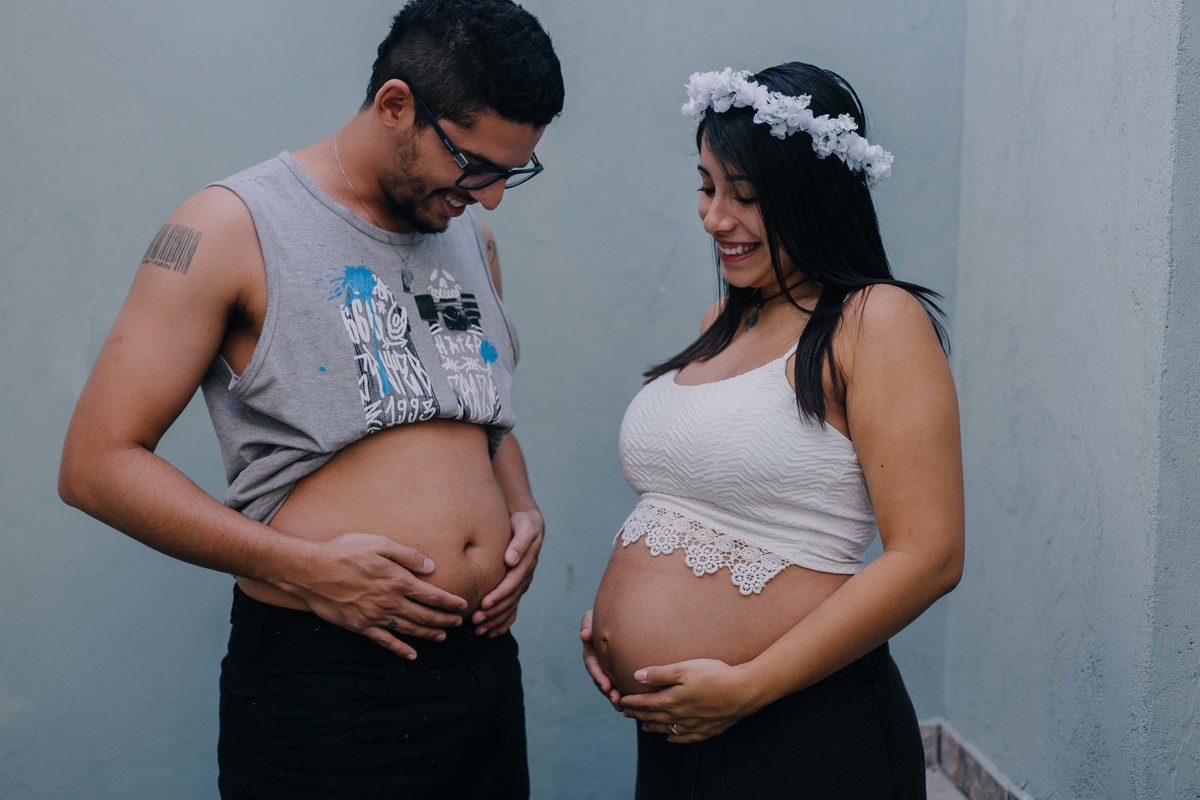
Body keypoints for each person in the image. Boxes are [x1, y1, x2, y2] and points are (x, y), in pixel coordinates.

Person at [57, 1, 563, 796]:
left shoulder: (470, 233)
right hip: (327, 678)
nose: (492, 197)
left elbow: (473, 414)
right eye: (474, 164)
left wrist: (520, 510)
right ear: (396, 105)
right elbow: (95, 466)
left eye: (511, 170)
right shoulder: (230, 226)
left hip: (482, 669)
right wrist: (304, 569)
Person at [580, 63, 964, 798]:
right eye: (706, 187)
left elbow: (931, 556)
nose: (714, 217)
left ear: (812, 197)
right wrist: (619, 623)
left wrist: (748, 685)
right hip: (677, 732)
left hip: (802, 730)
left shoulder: (874, 320)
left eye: (745, 197)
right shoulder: (722, 323)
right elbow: (702, 504)